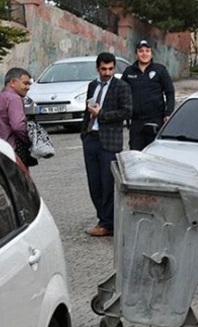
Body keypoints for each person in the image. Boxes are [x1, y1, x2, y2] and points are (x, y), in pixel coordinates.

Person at [81, 52, 132, 237]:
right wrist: (84, 133)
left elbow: (126, 112)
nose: (107, 72)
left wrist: (101, 115)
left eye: (111, 69)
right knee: (94, 183)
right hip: (91, 138)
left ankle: (108, 223)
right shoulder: (92, 86)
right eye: (104, 69)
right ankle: (103, 219)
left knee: (108, 183)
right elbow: (87, 111)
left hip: (110, 141)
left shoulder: (122, 87)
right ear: (98, 68)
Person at [122, 40, 175, 150]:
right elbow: (122, 93)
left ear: (151, 53)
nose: (144, 54)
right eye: (141, 51)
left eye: (147, 51)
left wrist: (168, 113)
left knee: (154, 152)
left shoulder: (160, 70)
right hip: (136, 121)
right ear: (136, 53)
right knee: (136, 153)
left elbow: (170, 92)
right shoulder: (129, 72)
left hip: (155, 119)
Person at [0, 67, 35, 167]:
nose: (28, 87)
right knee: (19, 181)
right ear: (13, 82)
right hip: (10, 152)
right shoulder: (14, 99)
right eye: (25, 83)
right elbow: (18, 126)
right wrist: (31, 139)